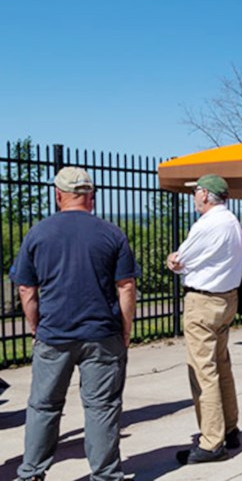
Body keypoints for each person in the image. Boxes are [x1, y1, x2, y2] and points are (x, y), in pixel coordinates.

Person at [13, 167, 139, 481]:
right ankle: (106, 475)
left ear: (58, 196)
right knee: (102, 407)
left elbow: (26, 288)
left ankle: (31, 473)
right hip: (102, 334)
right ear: (91, 197)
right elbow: (126, 286)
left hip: (54, 333)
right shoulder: (112, 233)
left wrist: (35, 324)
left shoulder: (38, 233)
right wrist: (125, 328)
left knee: (43, 406)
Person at [166, 174, 242, 465]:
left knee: (203, 371)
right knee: (221, 364)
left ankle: (212, 442)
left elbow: (179, 261)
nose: (194, 197)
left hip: (203, 300)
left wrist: (171, 260)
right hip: (226, 299)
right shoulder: (232, 222)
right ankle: (230, 427)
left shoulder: (208, 224)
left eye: (195, 192)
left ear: (205, 195)